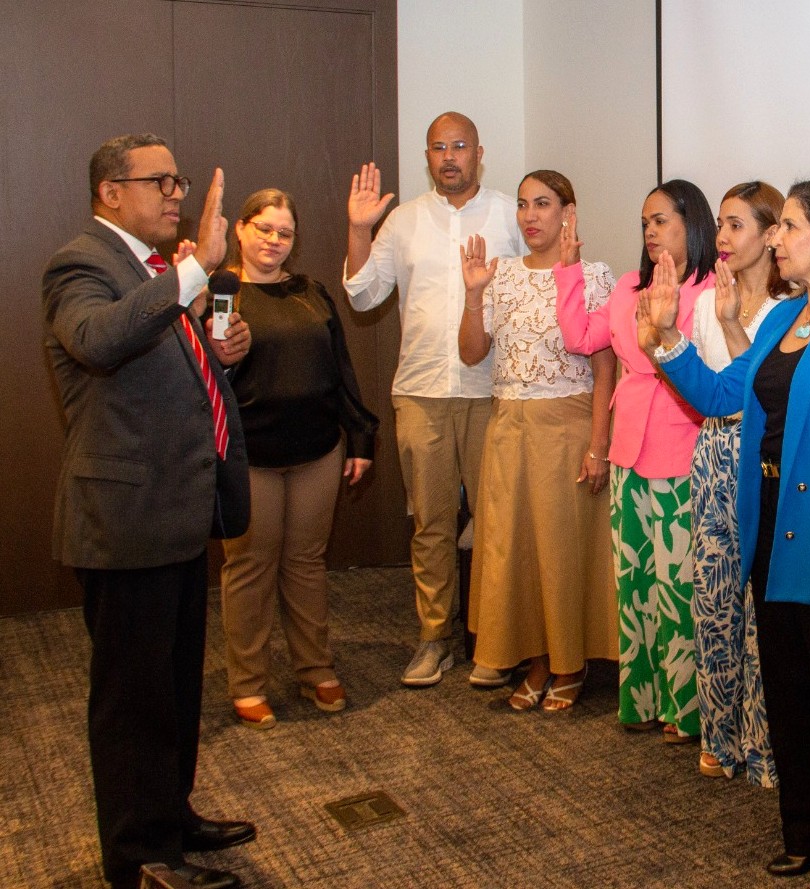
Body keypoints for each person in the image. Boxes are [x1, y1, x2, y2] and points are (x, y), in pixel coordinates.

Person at [647, 176, 810, 889]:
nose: (778, 238)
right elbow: (722, 397)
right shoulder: (777, 318)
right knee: (790, 694)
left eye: (791, 226)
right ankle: (808, 832)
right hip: (769, 526)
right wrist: (667, 337)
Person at [44, 133, 254, 889]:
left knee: (173, 684)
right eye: (161, 181)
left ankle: (171, 814)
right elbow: (99, 340)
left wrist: (218, 348)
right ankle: (138, 856)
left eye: (179, 179)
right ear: (111, 191)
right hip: (124, 517)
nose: (175, 192)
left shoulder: (152, 269)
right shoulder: (81, 263)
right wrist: (197, 267)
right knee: (132, 700)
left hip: (174, 509)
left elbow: (170, 362)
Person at [344, 112, 524, 687]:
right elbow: (365, 292)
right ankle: (434, 638)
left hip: (494, 390)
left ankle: (498, 641)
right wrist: (358, 229)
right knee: (431, 523)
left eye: (460, 146)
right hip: (420, 391)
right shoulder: (403, 221)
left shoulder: (509, 214)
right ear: (428, 157)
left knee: (496, 521)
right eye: (438, 148)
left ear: (479, 152)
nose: (449, 157)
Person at [555, 180, 716, 739]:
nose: (650, 231)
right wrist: (569, 269)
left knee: (679, 586)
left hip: (683, 445)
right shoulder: (628, 286)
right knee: (637, 582)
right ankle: (643, 700)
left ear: (691, 224)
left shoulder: (713, 289)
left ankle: (687, 709)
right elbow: (580, 336)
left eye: (662, 220)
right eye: (645, 221)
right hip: (628, 447)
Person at [457, 170, 619, 711]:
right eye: (524, 204)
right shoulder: (498, 274)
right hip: (508, 428)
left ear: (568, 212)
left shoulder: (594, 276)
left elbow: (604, 370)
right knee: (515, 548)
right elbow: (473, 353)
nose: (529, 215)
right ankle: (534, 660)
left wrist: (599, 445)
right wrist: (474, 296)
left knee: (561, 548)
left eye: (543, 204)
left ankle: (569, 666)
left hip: (567, 427)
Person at [218, 188, 379, 729]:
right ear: (240, 230)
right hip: (249, 456)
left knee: (307, 564)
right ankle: (248, 683)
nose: (273, 240)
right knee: (250, 567)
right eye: (263, 228)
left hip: (317, 451)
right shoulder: (220, 295)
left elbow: (340, 370)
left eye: (284, 233)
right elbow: (206, 381)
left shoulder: (312, 292)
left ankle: (315, 669)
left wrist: (359, 438)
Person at [692, 181, 790, 783]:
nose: (722, 239)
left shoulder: (792, 307)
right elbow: (707, 387)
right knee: (714, 591)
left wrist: (733, 325)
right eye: (721, 225)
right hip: (712, 450)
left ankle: (762, 741)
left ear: (771, 232)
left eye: (736, 226)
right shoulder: (707, 299)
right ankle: (718, 732)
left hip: (761, 457)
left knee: (759, 603)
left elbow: (759, 388)